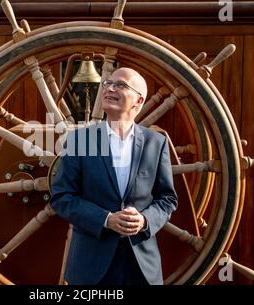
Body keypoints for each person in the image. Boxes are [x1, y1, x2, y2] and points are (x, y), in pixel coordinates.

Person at [50, 67, 178, 285]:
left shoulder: (156, 143)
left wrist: (145, 220)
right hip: (90, 267)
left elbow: (167, 200)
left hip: (142, 268)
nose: (109, 88)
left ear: (139, 101)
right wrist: (106, 220)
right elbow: (61, 197)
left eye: (120, 85)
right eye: (107, 83)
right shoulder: (80, 140)